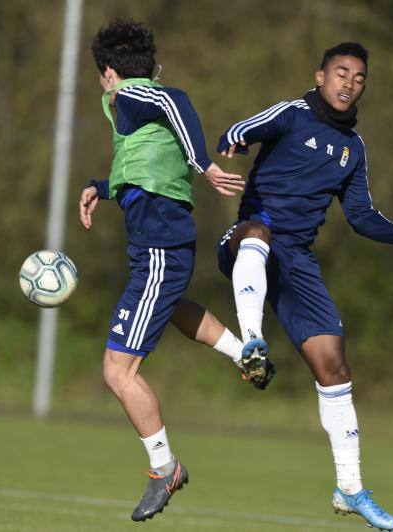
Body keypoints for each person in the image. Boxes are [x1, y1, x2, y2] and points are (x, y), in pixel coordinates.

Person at [215, 42, 393, 531]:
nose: (350, 83)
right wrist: (233, 141)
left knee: (334, 365)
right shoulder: (292, 113)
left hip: (297, 263)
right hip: (246, 240)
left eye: (360, 77)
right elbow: (239, 129)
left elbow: (364, 220)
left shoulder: (355, 149)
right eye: (341, 73)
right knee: (259, 233)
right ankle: (252, 340)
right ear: (321, 76)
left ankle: (349, 489)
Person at [78, 19, 259, 522]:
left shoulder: (131, 96)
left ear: (109, 72)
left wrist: (202, 164)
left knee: (118, 371)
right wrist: (102, 185)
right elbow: (143, 164)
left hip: (159, 245)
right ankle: (244, 352)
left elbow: (173, 101)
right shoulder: (133, 111)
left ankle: (165, 468)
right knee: (172, 309)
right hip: (161, 244)